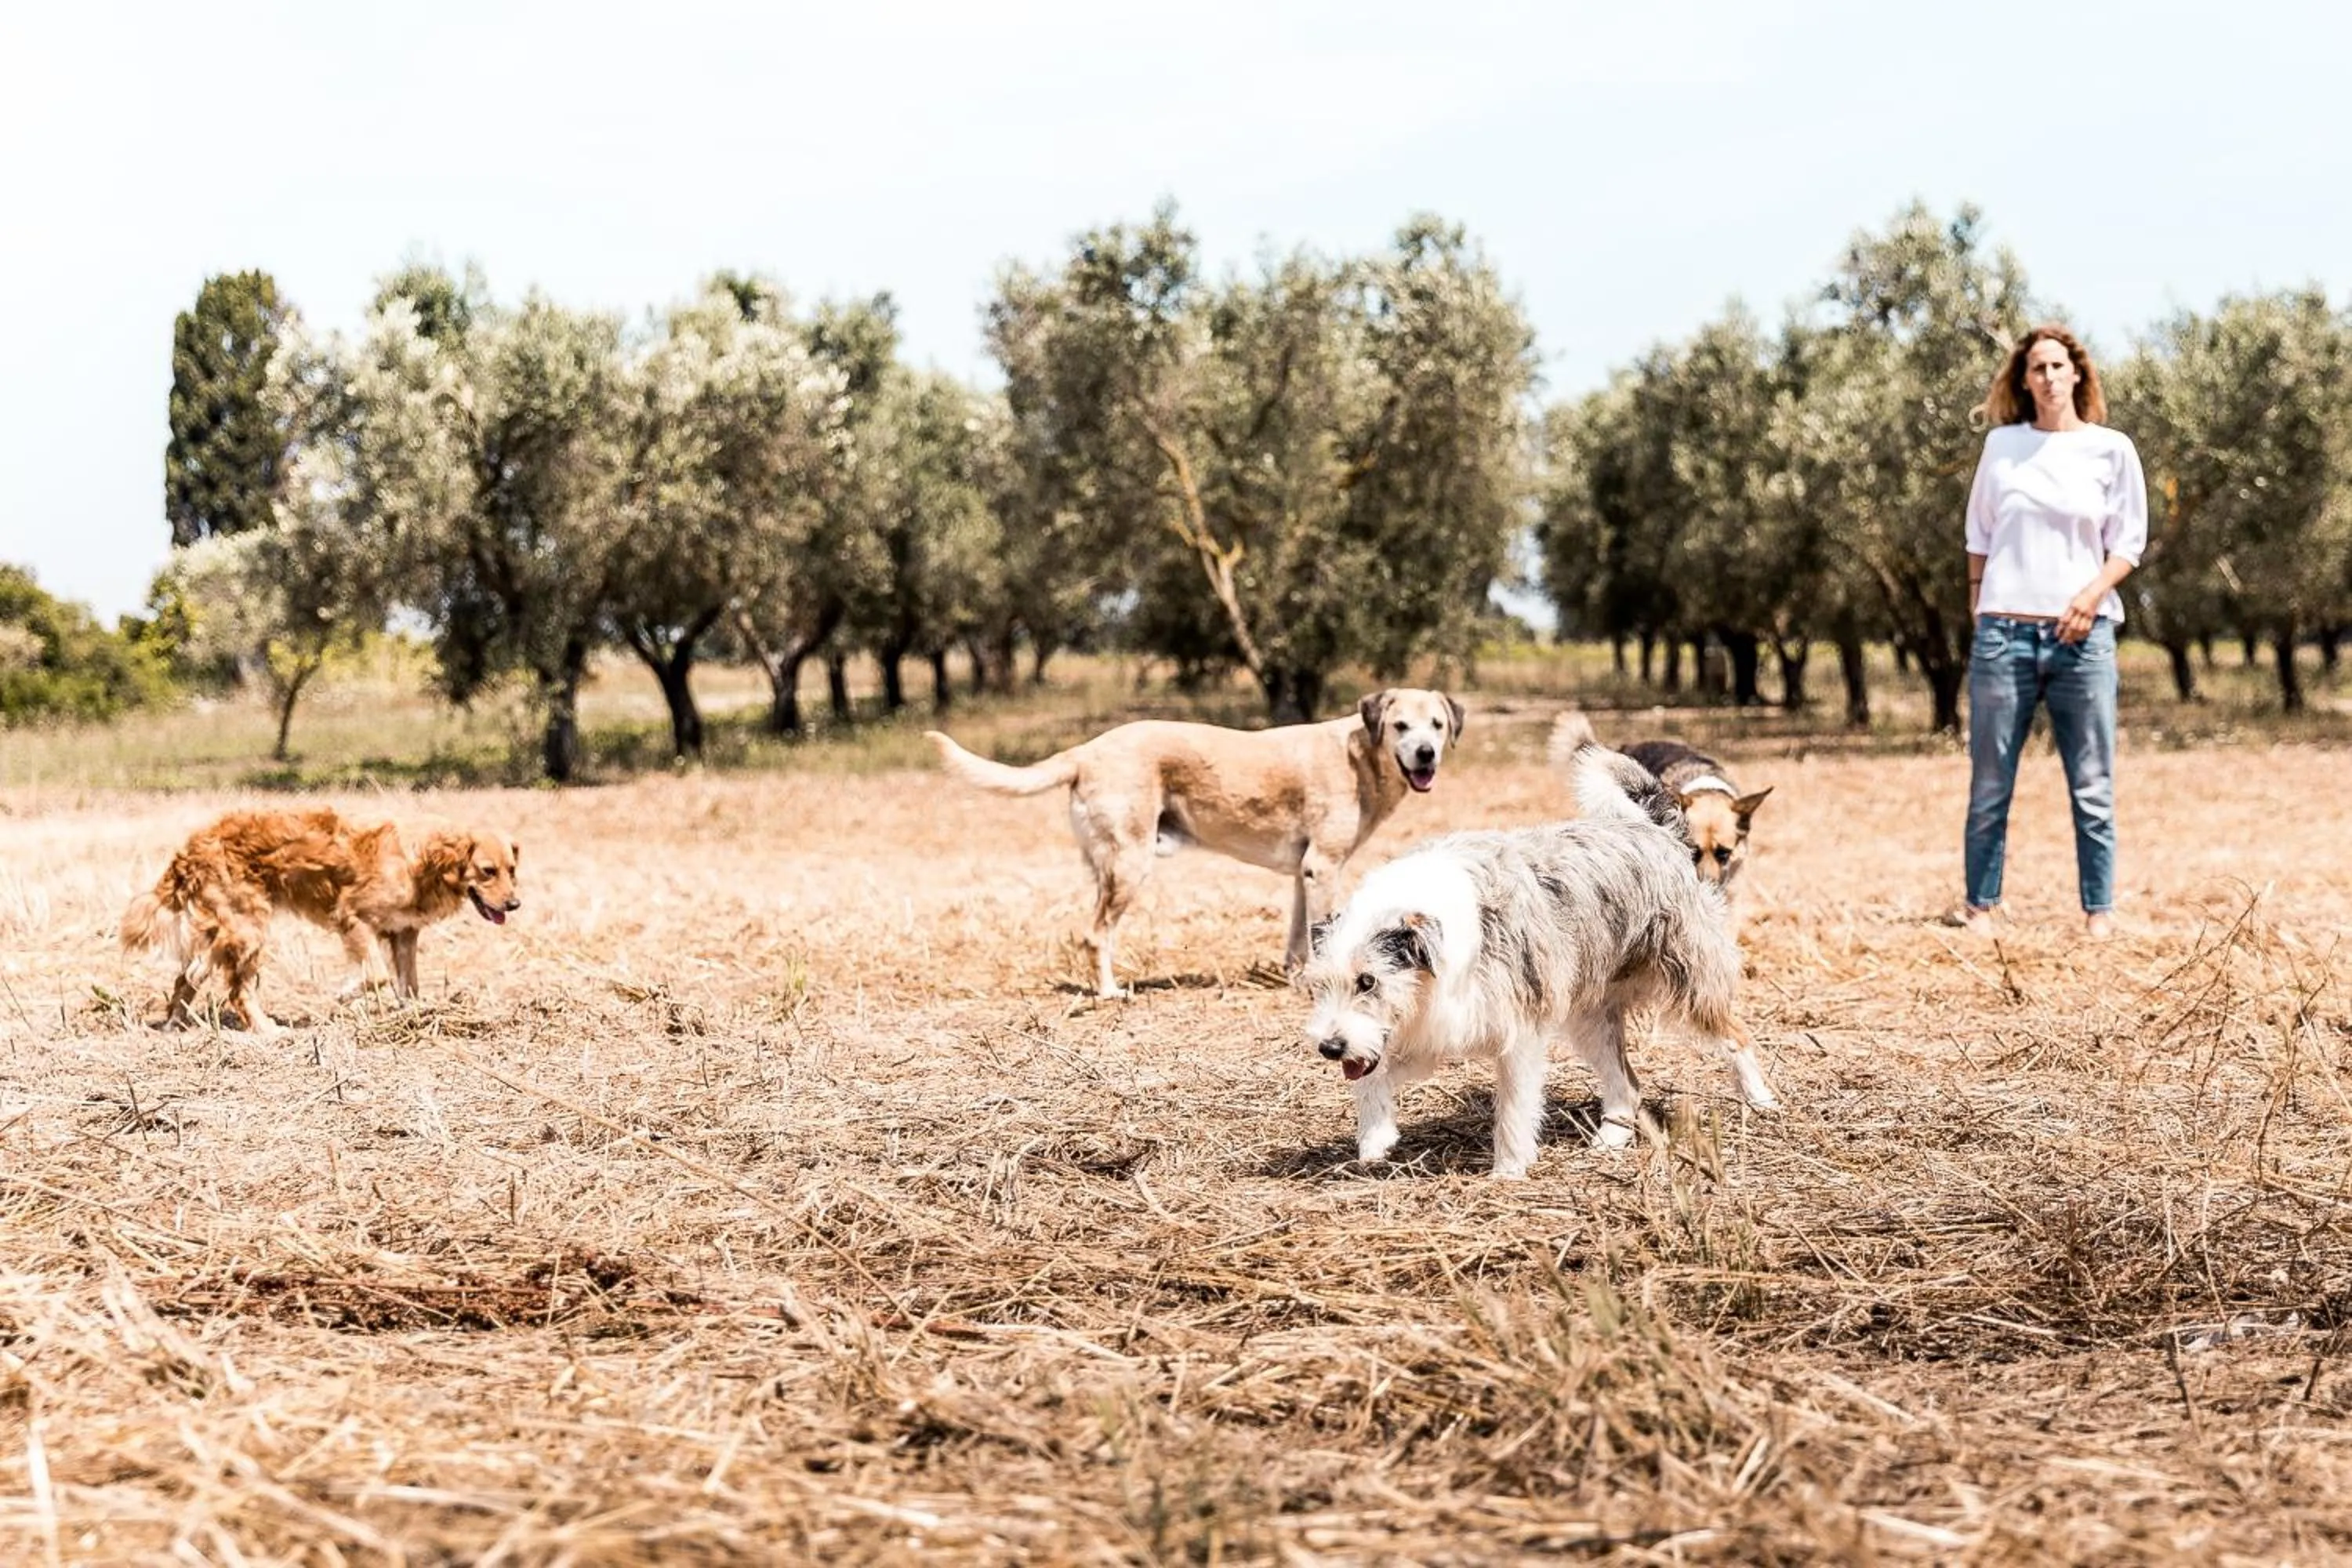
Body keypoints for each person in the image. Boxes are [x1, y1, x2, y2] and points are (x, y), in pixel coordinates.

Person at [1956, 324, 2147, 939]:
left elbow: (2129, 544)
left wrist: (2090, 598)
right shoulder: (2001, 447)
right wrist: (1979, 606)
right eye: (2036, 368)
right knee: (1991, 781)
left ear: (2077, 375)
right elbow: (1978, 537)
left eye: (2057, 366)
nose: (2047, 377)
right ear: (2025, 381)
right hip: (2004, 635)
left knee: (2092, 783)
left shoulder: (2111, 449)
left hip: (2083, 639)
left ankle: (2099, 911)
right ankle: (1981, 906)